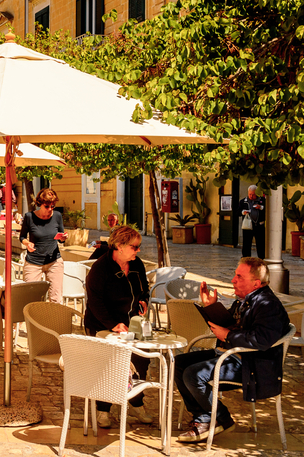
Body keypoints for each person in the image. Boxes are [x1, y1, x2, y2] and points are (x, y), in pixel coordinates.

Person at [174, 257, 289, 443]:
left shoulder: (268, 305)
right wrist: (211, 307)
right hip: (233, 354)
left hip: (252, 365)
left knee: (193, 375)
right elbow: (231, 325)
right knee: (178, 363)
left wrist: (228, 336)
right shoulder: (246, 300)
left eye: (239, 277)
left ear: (256, 283)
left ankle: (221, 419)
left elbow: (262, 340)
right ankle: (204, 418)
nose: (233, 280)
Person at [84, 225, 154, 428]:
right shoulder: (101, 267)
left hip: (131, 323)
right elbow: (95, 302)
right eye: (135, 246)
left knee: (140, 359)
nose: (138, 250)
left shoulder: (137, 263)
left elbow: (144, 289)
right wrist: (112, 324)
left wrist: (144, 301)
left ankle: (135, 402)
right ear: (120, 246)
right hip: (102, 323)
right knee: (108, 365)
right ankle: (103, 410)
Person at [19, 188, 66, 304]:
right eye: (47, 206)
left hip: (54, 262)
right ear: (40, 204)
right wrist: (27, 243)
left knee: (56, 298)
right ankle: (33, 322)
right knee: (31, 298)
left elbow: (61, 239)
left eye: (52, 206)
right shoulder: (29, 217)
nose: (50, 209)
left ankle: (53, 322)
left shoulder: (57, 216)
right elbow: (22, 237)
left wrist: (62, 238)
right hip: (33, 262)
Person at [239, 185, 265, 259]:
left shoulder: (262, 200)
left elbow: (268, 211)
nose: (251, 196)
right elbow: (237, 212)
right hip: (248, 226)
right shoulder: (243, 201)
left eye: (253, 194)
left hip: (259, 225)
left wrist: (260, 207)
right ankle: (246, 260)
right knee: (246, 244)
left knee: (260, 244)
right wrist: (242, 212)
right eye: (250, 194)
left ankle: (262, 259)